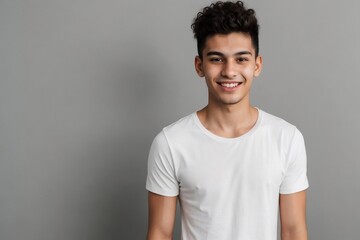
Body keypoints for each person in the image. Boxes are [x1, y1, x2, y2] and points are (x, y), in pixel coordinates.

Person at [146, 1, 309, 239]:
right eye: (216, 59)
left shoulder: (287, 138)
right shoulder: (171, 143)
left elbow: (294, 231)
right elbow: (159, 232)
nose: (229, 71)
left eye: (241, 59)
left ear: (257, 65)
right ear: (199, 65)